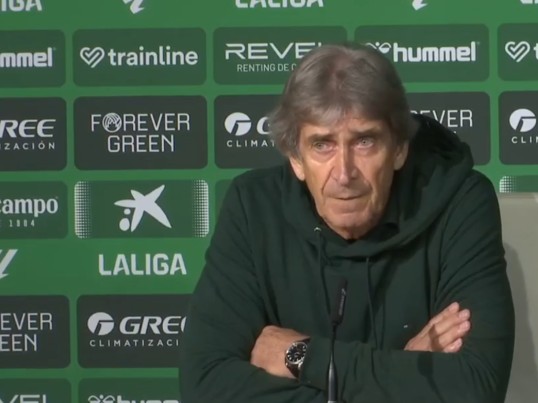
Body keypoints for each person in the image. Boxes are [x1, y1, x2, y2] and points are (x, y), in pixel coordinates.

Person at [179, 42, 515, 403]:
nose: (344, 173)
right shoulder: (253, 207)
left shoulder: (459, 201)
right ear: (296, 158)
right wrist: (402, 373)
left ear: (399, 148)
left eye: (364, 141)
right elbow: (205, 387)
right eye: (322, 145)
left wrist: (302, 356)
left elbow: (475, 388)